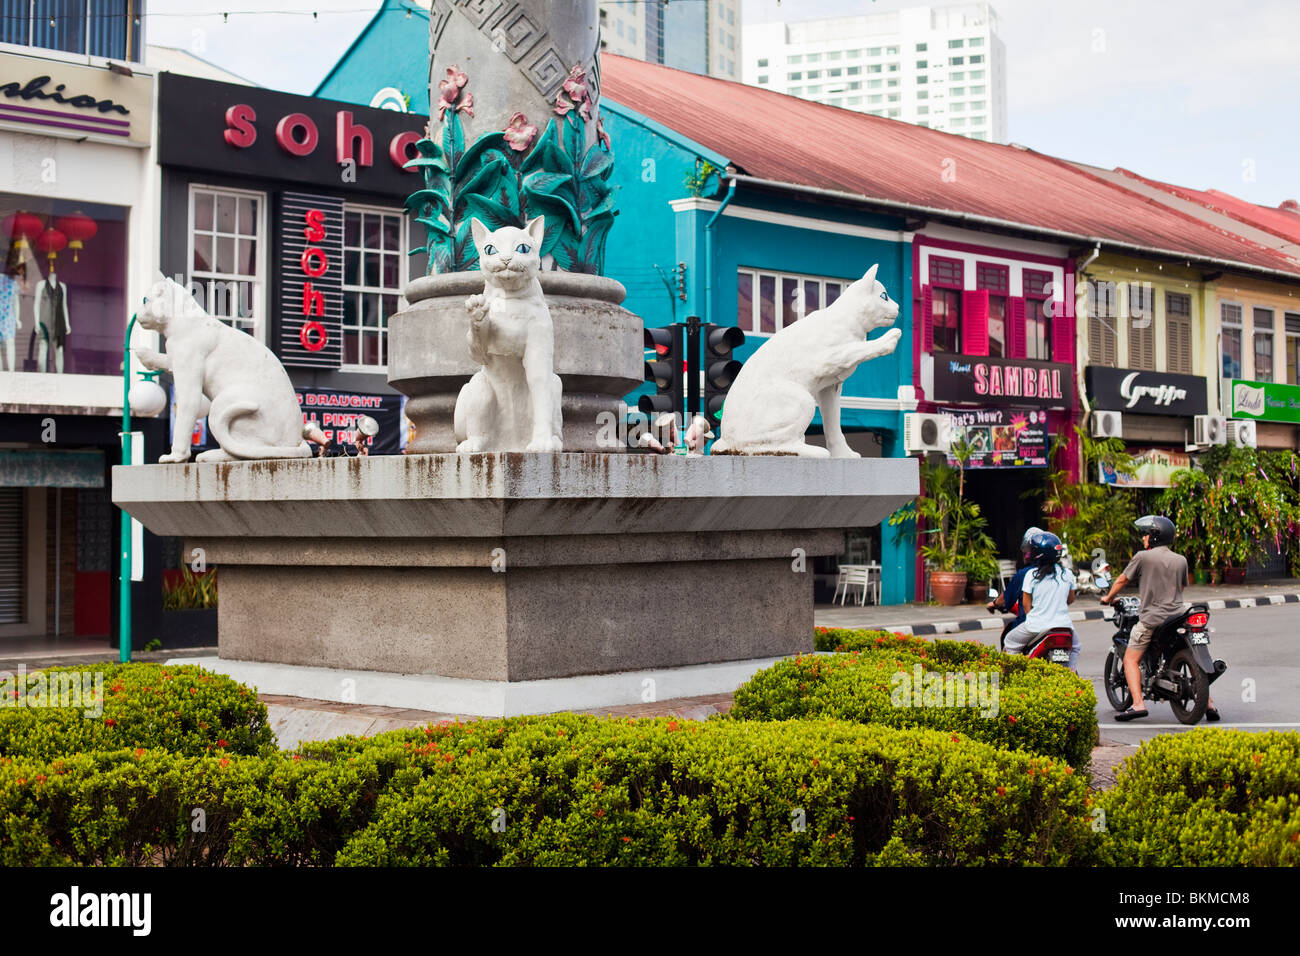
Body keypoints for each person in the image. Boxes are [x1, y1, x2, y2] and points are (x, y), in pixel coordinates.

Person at [1100, 514, 1219, 722]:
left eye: (1146, 535)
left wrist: (1109, 597)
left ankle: (1137, 704)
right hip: (1178, 617)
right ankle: (1208, 703)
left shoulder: (1142, 557)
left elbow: (1122, 579)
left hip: (1152, 619)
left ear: (1154, 537)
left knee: (1130, 659)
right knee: (1189, 655)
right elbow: (1179, 588)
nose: (1144, 538)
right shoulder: (1180, 560)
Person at [1003, 531, 1077, 665]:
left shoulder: (1031, 575)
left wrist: (1037, 617)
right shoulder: (1068, 574)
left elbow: (1026, 605)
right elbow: (1070, 599)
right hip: (1065, 626)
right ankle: (1071, 673)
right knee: (1076, 647)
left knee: (1010, 642)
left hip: (1036, 627)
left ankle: (1014, 674)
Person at [987, 525, 1043, 630]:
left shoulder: (1026, 574)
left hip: (1032, 625)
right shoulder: (1061, 573)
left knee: (1008, 640)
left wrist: (994, 603)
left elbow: (1009, 598)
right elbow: (1069, 599)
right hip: (1060, 624)